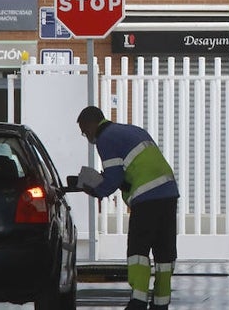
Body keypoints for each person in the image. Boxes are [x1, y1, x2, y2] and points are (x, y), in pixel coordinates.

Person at [76, 106, 179, 310]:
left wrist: (96, 190)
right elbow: (131, 171)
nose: (85, 135)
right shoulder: (131, 130)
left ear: (91, 124)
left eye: (84, 130)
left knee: (138, 252)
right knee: (164, 252)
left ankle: (138, 302)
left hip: (147, 198)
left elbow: (113, 177)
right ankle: (161, 303)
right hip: (168, 194)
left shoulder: (105, 139)